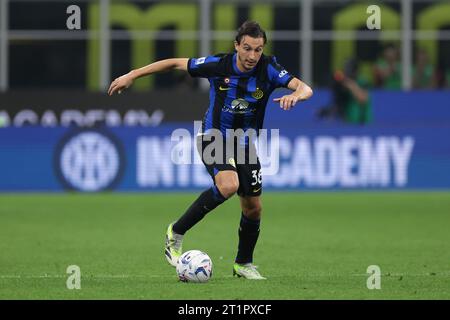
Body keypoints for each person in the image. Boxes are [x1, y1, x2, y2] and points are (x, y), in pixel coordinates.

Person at [108, 21, 313, 280]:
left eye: (258, 50)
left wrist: (296, 96)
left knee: (253, 208)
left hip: (246, 145)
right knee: (228, 185)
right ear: (237, 45)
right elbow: (173, 63)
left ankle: (243, 264)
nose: (252, 56)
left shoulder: (269, 69)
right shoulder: (219, 65)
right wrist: (132, 75)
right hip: (213, 136)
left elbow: (306, 88)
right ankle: (176, 232)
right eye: (247, 48)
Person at [317, 58, 371, 125]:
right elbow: (337, 100)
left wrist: (352, 86)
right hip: (347, 121)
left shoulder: (362, 81)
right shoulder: (342, 83)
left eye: (349, 69)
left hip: (361, 123)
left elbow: (363, 99)